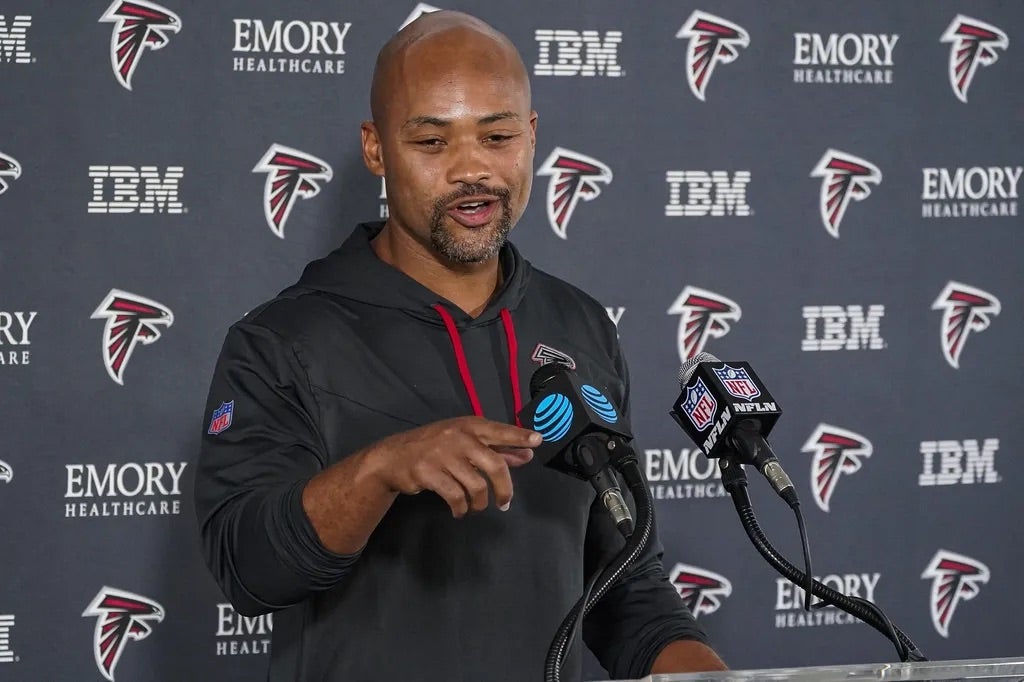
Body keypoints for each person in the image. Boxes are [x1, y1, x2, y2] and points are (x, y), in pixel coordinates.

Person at [194, 10, 727, 681]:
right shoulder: (282, 339)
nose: (472, 169)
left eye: (498, 135)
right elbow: (249, 571)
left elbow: (626, 587)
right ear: (376, 148)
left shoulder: (580, 324)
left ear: (531, 137)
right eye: (432, 143)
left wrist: (707, 672)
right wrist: (382, 469)